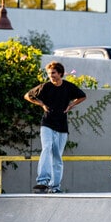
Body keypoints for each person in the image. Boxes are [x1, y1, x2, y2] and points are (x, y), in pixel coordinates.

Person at [24, 61, 86, 194]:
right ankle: (42, 181)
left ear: (60, 73)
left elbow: (82, 96)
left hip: (62, 126)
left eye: (53, 73)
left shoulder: (68, 87)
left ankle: (54, 186)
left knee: (57, 156)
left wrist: (71, 105)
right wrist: (41, 104)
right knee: (46, 148)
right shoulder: (45, 86)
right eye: (48, 73)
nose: (50, 76)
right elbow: (28, 95)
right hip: (47, 123)